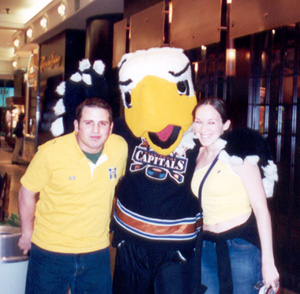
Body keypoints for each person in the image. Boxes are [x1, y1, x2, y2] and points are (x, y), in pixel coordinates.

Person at [18, 98, 128, 294]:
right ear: (76, 125)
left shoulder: (119, 148)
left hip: (96, 252)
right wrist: (27, 232)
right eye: (88, 123)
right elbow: (27, 191)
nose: (95, 130)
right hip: (50, 251)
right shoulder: (50, 153)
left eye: (102, 124)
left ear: (110, 128)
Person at [191, 98, 279, 294]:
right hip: (206, 244)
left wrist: (268, 262)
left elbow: (262, 211)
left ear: (226, 125)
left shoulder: (240, 155)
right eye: (198, 121)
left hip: (241, 245)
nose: (203, 128)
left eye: (211, 122)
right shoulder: (196, 155)